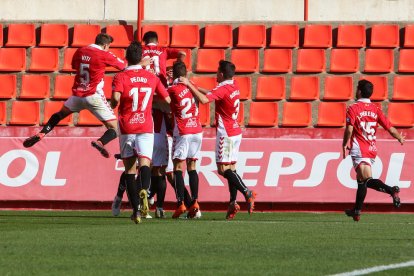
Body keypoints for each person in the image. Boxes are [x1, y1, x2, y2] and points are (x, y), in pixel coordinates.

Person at [23, 33, 125, 158]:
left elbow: (74, 66)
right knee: (116, 128)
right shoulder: (104, 54)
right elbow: (123, 66)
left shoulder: (80, 51)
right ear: (105, 45)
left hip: (77, 95)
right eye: (108, 47)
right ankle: (100, 142)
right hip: (94, 95)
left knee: (59, 115)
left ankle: (42, 133)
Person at [182, 60, 256, 220]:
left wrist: (188, 84)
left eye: (217, 72)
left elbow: (204, 100)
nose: (216, 74)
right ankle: (232, 202)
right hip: (236, 132)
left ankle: (246, 192)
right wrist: (194, 87)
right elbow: (213, 93)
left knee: (223, 170)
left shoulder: (222, 88)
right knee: (232, 168)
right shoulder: (233, 85)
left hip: (226, 133)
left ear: (221, 74)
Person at [111, 41, 171, 224]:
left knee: (129, 169)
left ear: (126, 58)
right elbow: (167, 100)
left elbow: (115, 99)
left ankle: (136, 210)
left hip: (128, 125)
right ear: (141, 58)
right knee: (145, 162)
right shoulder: (151, 77)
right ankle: (145, 188)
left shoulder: (120, 77)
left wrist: (114, 105)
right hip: (146, 125)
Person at [342, 79, 405, 222]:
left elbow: (349, 129)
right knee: (361, 180)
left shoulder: (353, 108)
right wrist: (399, 138)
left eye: (357, 88)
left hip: (359, 148)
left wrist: (345, 143)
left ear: (359, 91)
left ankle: (391, 190)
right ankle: (357, 211)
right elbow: (389, 127)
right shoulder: (376, 109)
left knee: (366, 180)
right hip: (371, 148)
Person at [168, 61, 203, 219]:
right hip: (197, 129)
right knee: (192, 166)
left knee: (177, 166)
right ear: (186, 74)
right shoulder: (192, 86)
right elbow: (205, 95)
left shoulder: (172, 89)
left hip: (183, 131)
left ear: (174, 75)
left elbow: (158, 99)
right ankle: (195, 202)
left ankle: (181, 203)